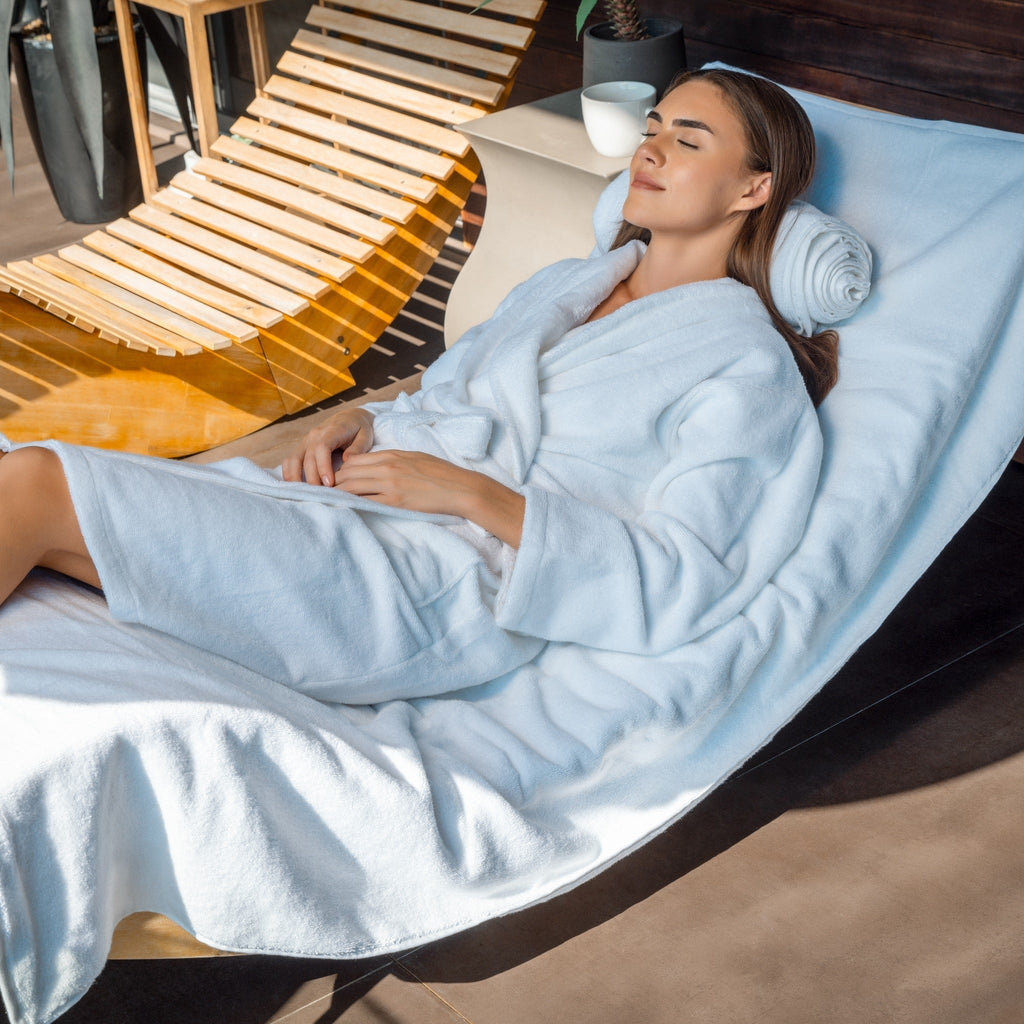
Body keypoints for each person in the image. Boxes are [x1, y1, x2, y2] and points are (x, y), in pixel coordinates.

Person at [0, 69, 836, 703]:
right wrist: (364, 419)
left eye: (688, 141)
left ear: (755, 189)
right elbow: (450, 391)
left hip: (426, 587)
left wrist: (471, 494)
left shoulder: (742, 364)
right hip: (351, 507)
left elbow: (686, 574)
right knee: (22, 467)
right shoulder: (565, 284)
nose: (649, 148)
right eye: (653, 127)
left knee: (35, 482)